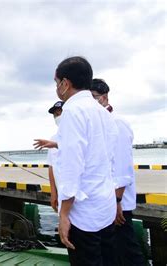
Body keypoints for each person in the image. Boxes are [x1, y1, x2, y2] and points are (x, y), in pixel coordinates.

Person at [52, 56, 118, 265]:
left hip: (83, 214)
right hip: (105, 206)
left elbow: (73, 165)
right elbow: (108, 158)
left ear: (65, 83)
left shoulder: (72, 111)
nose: (56, 88)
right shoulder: (102, 113)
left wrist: (64, 214)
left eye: (56, 83)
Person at [90, 79, 145, 265]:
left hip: (117, 204)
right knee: (113, 254)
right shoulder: (100, 124)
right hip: (106, 203)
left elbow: (122, 167)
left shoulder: (117, 123)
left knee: (128, 253)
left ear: (104, 98)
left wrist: (117, 201)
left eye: (93, 98)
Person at [34, 101, 64, 213]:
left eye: (60, 113)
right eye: (55, 115)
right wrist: (53, 193)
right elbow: (51, 167)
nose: (57, 117)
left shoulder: (78, 136)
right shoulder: (53, 138)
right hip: (61, 194)